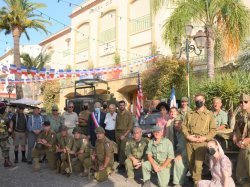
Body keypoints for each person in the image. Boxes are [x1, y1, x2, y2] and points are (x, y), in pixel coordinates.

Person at [182, 93, 216, 186]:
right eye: (196, 101)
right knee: (191, 164)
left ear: (204, 101)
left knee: (198, 164)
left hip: (201, 142)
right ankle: (196, 180)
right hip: (190, 142)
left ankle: (197, 183)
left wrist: (204, 138)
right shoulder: (190, 113)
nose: (198, 102)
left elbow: (213, 130)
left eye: (200, 100)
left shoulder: (209, 114)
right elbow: (184, 126)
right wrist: (188, 136)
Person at [233, 93, 250, 186]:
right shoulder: (241, 116)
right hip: (243, 147)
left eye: (246, 102)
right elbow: (236, 127)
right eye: (241, 102)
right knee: (240, 176)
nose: (243, 104)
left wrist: (246, 140)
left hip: (248, 147)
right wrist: (235, 134)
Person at [115, 100, 133, 168]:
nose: (121, 106)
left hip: (125, 133)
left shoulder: (129, 114)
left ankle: (124, 164)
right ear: (119, 106)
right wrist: (116, 134)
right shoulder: (118, 114)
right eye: (120, 105)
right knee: (119, 149)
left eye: (123, 105)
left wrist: (124, 135)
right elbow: (116, 125)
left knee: (124, 149)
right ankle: (120, 163)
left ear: (124, 105)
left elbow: (130, 127)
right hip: (118, 133)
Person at [173, 116, 188, 187]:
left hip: (187, 155)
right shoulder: (177, 133)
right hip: (180, 152)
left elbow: (188, 147)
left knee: (178, 162)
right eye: (175, 123)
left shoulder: (185, 133)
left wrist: (181, 155)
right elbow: (179, 146)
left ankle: (178, 183)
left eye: (179, 123)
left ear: (182, 124)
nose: (177, 125)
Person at [0, 102, 14, 167]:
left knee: (6, 148)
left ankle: (7, 162)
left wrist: (10, 128)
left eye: (4, 108)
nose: (3, 109)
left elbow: (11, 121)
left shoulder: (7, 114)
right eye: (2, 108)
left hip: (4, 136)